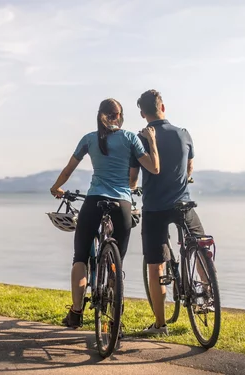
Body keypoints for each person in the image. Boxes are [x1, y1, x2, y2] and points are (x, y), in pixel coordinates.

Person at [50, 98, 160, 328]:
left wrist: (56, 187)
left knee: (80, 256)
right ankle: (114, 322)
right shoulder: (130, 138)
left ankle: (76, 313)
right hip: (122, 203)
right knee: (116, 262)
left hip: (95, 201)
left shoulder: (89, 139)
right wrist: (152, 141)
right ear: (120, 116)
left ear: (99, 115)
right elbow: (154, 168)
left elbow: (69, 169)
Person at [129, 89, 206, 335]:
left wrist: (133, 187)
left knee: (155, 266)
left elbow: (133, 177)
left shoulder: (140, 139)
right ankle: (207, 291)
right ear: (164, 107)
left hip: (154, 208)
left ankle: (160, 325)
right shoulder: (183, 134)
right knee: (200, 246)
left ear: (142, 113)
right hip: (182, 203)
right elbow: (190, 167)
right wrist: (186, 179)